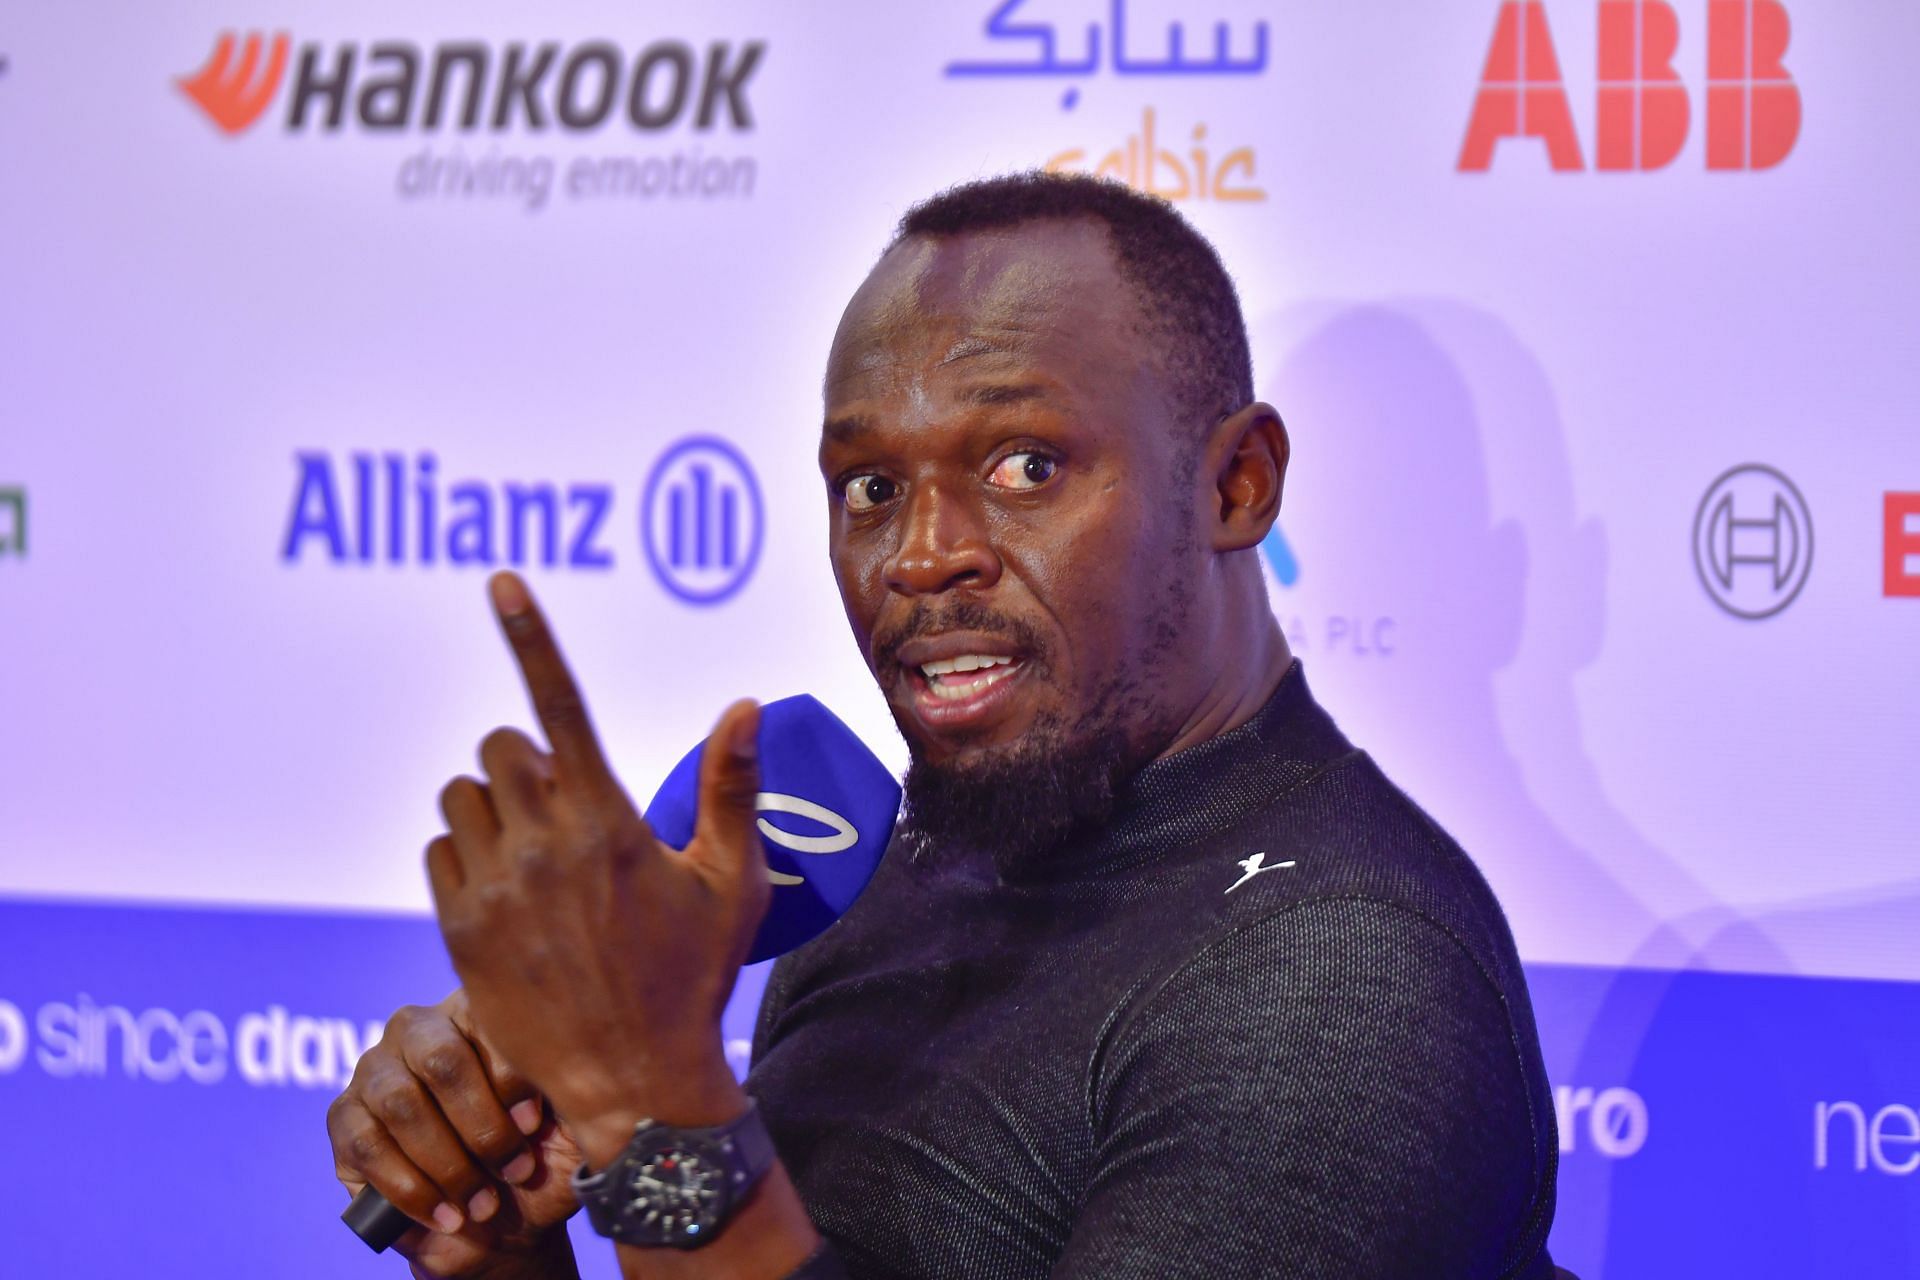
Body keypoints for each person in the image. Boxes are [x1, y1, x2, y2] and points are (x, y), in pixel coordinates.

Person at [327, 171, 1563, 1279]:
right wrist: (506, 1247)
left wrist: (651, 1116)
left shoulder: (1344, 970)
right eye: (871, 486)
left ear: (1235, 485)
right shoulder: (871, 857)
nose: (920, 557)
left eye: (1025, 464)